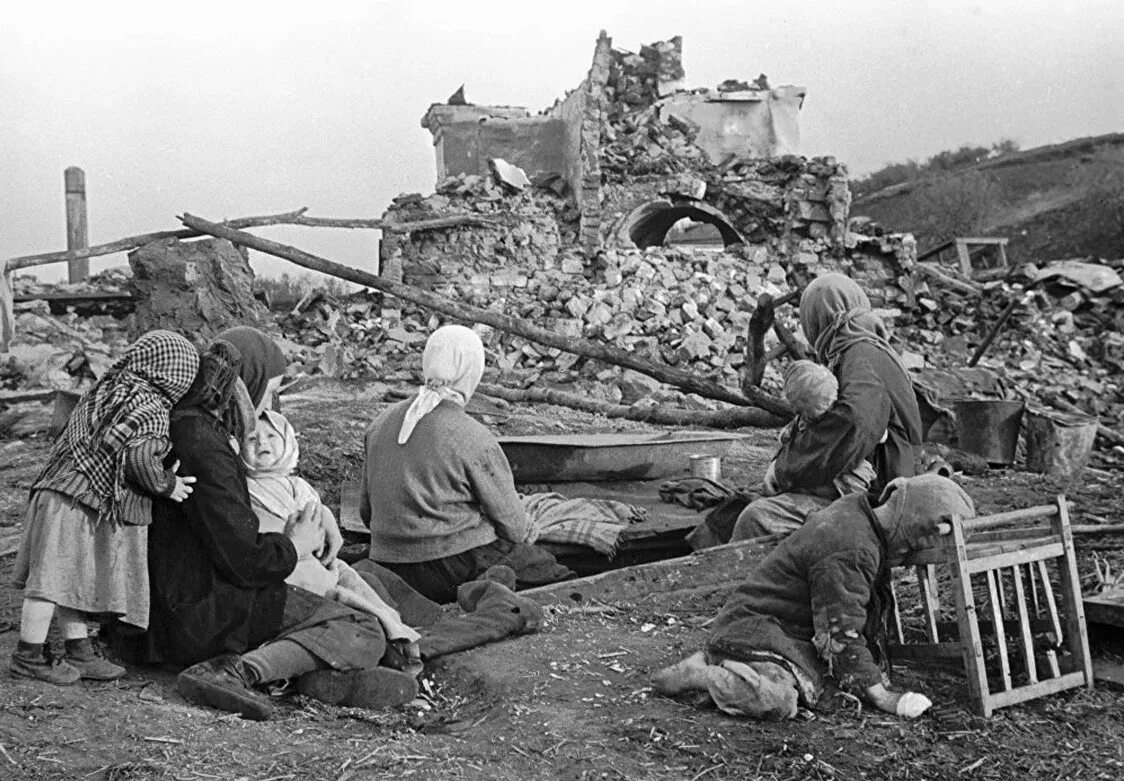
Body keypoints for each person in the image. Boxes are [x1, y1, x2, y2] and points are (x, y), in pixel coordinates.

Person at [133, 327, 416, 721]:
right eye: (269, 391)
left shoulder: (196, 426)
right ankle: (235, 672)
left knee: (346, 600)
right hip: (198, 611)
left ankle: (311, 678)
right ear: (245, 382)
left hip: (184, 598)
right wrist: (295, 546)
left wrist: (320, 517)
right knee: (362, 627)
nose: (270, 405)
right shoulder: (203, 443)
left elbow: (227, 529)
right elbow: (244, 560)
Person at [653, 473, 975, 721]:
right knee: (778, 700)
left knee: (811, 685)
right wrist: (882, 696)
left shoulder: (859, 511)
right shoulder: (852, 549)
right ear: (918, 525)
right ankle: (698, 674)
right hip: (758, 629)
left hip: (782, 628)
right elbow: (840, 632)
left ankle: (723, 670)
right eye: (923, 539)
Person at [10, 330, 199, 685]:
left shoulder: (108, 389)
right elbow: (140, 460)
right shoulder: (152, 409)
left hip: (58, 488)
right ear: (177, 377)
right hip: (76, 500)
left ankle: (78, 650)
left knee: (71, 576)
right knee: (49, 583)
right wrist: (167, 484)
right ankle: (28, 655)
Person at [361, 324, 571, 604]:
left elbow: (366, 512)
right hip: (451, 566)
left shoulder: (379, 424)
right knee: (541, 565)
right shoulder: (472, 435)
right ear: (472, 371)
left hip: (388, 564)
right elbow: (513, 527)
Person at [730, 273, 922, 542]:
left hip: (881, 495)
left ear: (819, 321)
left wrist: (785, 469)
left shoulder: (861, 358)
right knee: (732, 510)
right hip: (885, 480)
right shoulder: (866, 350)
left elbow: (854, 424)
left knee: (757, 518)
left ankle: (740, 584)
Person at [243, 409, 421, 671]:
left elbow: (319, 527)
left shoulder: (297, 486)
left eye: (272, 435)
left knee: (356, 580)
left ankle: (395, 631)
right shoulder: (246, 489)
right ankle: (378, 644)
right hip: (291, 570)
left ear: (289, 442)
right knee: (341, 598)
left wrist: (323, 521)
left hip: (319, 561)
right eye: (251, 438)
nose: (262, 443)